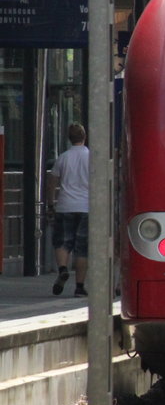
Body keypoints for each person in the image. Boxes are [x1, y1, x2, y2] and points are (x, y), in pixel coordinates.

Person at [47, 122, 89, 297]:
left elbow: (52, 181)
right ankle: (79, 287)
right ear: (84, 137)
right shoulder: (91, 157)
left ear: (69, 138)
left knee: (62, 242)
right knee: (82, 249)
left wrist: (51, 203)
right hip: (86, 207)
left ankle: (63, 269)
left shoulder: (63, 157)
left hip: (65, 206)